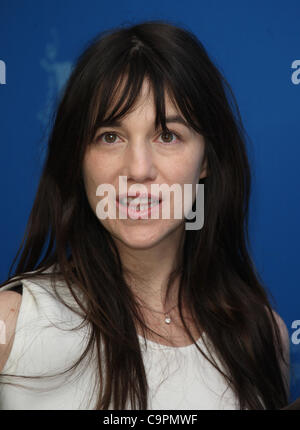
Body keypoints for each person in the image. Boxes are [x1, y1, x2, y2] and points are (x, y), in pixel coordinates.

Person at [0, 19, 290, 410]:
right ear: (78, 159)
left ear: (206, 160)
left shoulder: (262, 335)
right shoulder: (11, 323)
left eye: (167, 135)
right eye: (110, 136)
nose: (138, 169)